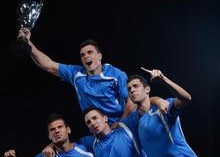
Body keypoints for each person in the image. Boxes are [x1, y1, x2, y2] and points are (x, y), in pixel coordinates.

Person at [17, 29, 168, 124]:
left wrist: (121, 124)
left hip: (123, 124)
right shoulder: (76, 73)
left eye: (90, 53)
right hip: (97, 127)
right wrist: (29, 44)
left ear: (99, 56)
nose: (86, 57)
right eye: (82, 55)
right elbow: (48, 65)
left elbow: (132, 101)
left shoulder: (115, 74)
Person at [123, 67, 204, 157]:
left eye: (135, 86)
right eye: (129, 89)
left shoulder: (163, 107)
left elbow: (186, 98)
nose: (132, 90)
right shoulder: (134, 121)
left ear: (147, 89)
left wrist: (163, 80)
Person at [43, 107, 157, 157]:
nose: (92, 123)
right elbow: (64, 141)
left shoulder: (125, 128)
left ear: (105, 118)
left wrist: (157, 100)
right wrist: (50, 147)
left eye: (94, 118)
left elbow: (143, 106)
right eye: (88, 122)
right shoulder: (90, 143)